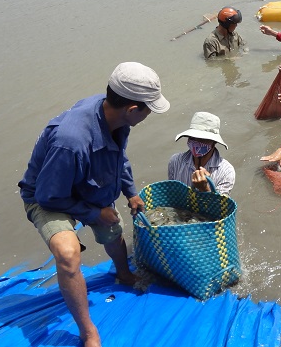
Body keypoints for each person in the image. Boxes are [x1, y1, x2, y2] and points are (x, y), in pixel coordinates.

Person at [18, 62, 170, 347]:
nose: (149, 115)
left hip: (87, 183)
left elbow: (118, 158)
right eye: (148, 109)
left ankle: (123, 273)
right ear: (133, 110)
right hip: (49, 195)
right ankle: (89, 332)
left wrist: (130, 192)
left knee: (112, 229)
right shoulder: (71, 141)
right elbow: (47, 196)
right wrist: (93, 213)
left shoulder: (113, 116)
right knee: (67, 254)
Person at [168, 112, 235, 195]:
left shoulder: (226, 171)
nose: (196, 142)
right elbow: (171, 196)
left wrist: (205, 189)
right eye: (193, 138)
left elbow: (220, 207)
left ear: (214, 142)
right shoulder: (175, 161)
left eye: (203, 139)